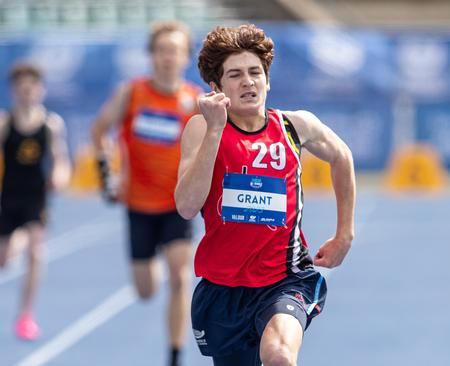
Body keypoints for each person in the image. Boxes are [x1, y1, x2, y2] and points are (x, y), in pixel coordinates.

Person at [175, 24, 355, 366]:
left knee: (278, 355)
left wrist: (344, 233)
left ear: (268, 80)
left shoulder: (294, 126)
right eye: (236, 75)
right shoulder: (201, 128)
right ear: (217, 88)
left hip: (285, 279)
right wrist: (214, 129)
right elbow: (186, 205)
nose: (248, 81)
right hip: (223, 290)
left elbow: (342, 156)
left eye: (255, 72)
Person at [91, 21, 202, 366]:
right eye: (162, 50)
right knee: (145, 291)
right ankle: (150, 260)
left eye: (176, 51)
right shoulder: (132, 93)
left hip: (176, 204)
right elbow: (99, 132)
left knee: (181, 277)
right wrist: (106, 173)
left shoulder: (194, 102)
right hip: (138, 204)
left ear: (185, 57)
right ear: (152, 55)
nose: (168, 57)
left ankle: (174, 353)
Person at [0, 63, 71, 341]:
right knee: (4, 261)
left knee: (36, 252)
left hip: (35, 198)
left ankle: (26, 315)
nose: (27, 92)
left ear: (40, 90)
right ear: (14, 91)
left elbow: (60, 159)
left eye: (32, 87)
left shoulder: (50, 125)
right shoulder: (5, 124)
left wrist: (59, 176)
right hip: (8, 199)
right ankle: (14, 241)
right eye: (22, 88)